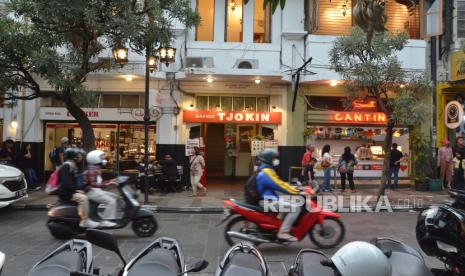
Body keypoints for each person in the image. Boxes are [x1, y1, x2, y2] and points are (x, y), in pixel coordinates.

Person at [256, 148, 302, 242]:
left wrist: (294, 188)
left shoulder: (266, 170)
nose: (276, 161)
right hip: (267, 201)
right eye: (274, 159)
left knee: (289, 202)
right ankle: (283, 232)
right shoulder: (266, 172)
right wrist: (295, 191)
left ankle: (279, 224)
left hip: (268, 199)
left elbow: (279, 183)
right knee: (296, 208)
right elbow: (279, 185)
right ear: (269, 159)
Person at [57, 148, 99, 228]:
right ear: (74, 156)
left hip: (69, 190)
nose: (80, 157)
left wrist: (86, 186)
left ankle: (91, 216)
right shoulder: (67, 166)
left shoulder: (72, 165)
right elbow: (67, 183)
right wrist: (76, 190)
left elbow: (75, 181)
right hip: (66, 193)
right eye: (78, 155)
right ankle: (85, 221)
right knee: (83, 198)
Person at [83, 150, 118, 227]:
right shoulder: (92, 170)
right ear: (95, 159)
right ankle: (105, 220)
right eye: (101, 157)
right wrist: (107, 184)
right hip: (91, 192)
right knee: (111, 201)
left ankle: (109, 217)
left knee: (115, 197)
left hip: (96, 191)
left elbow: (98, 183)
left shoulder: (96, 168)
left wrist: (110, 181)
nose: (104, 159)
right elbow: (93, 184)